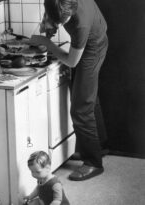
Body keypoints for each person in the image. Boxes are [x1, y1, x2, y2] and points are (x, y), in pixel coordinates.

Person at [29, 0, 108, 181]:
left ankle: (93, 162)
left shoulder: (81, 23)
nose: (63, 25)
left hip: (93, 48)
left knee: (81, 108)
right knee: (88, 98)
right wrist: (48, 24)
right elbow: (52, 10)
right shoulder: (56, 2)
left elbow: (72, 61)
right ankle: (99, 147)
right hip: (89, 40)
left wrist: (47, 44)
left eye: (65, 21)